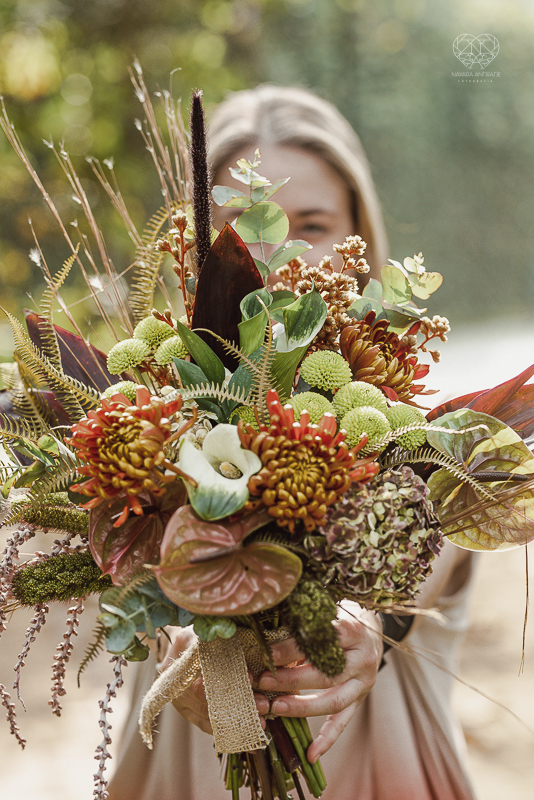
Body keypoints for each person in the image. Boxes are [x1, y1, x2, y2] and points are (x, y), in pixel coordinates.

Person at [108, 85, 475, 800]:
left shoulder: (425, 427)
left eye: (314, 223)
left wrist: (359, 622)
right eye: (239, 226)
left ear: (359, 237)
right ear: (197, 248)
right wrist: (184, 642)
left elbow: (419, 547)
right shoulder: (151, 411)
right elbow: (126, 567)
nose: (283, 252)